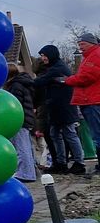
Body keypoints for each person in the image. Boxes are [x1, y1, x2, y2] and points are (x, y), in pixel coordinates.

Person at [34, 44, 85, 174]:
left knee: (69, 133)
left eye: (44, 56)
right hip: (57, 107)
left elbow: (39, 82)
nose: (43, 58)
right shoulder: (56, 67)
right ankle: (61, 162)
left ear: (50, 55)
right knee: (55, 134)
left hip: (63, 107)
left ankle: (79, 162)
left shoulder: (57, 69)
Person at [64, 32, 100, 175]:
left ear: (92, 43)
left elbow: (87, 76)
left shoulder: (95, 55)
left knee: (97, 134)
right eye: (79, 44)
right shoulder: (90, 56)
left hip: (93, 100)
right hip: (90, 100)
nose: (80, 47)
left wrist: (67, 80)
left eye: (83, 44)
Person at [5, 62, 38, 182]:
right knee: (27, 146)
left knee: (21, 147)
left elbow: (14, 104)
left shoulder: (15, 85)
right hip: (27, 118)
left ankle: (25, 173)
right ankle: (32, 171)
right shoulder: (25, 83)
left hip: (19, 119)